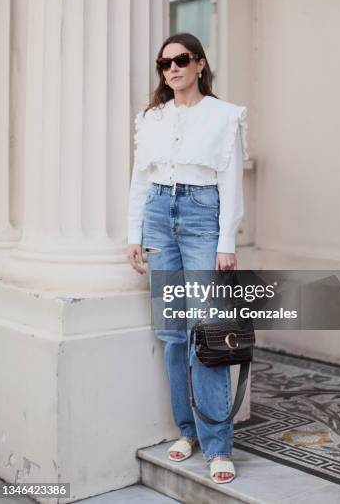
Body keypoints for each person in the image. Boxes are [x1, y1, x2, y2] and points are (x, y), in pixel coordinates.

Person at [126, 32, 248, 484]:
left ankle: (218, 445)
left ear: (200, 64)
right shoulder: (151, 118)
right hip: (158, 216)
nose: (172, 69)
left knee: (208, 332)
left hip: (201, 217)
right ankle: (187, 430)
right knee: (172, 334)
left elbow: (231, 181)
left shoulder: (225, 115)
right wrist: (132, 235)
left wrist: (226, 241)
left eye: (181, 60)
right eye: (164, 64)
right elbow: (141, 180)